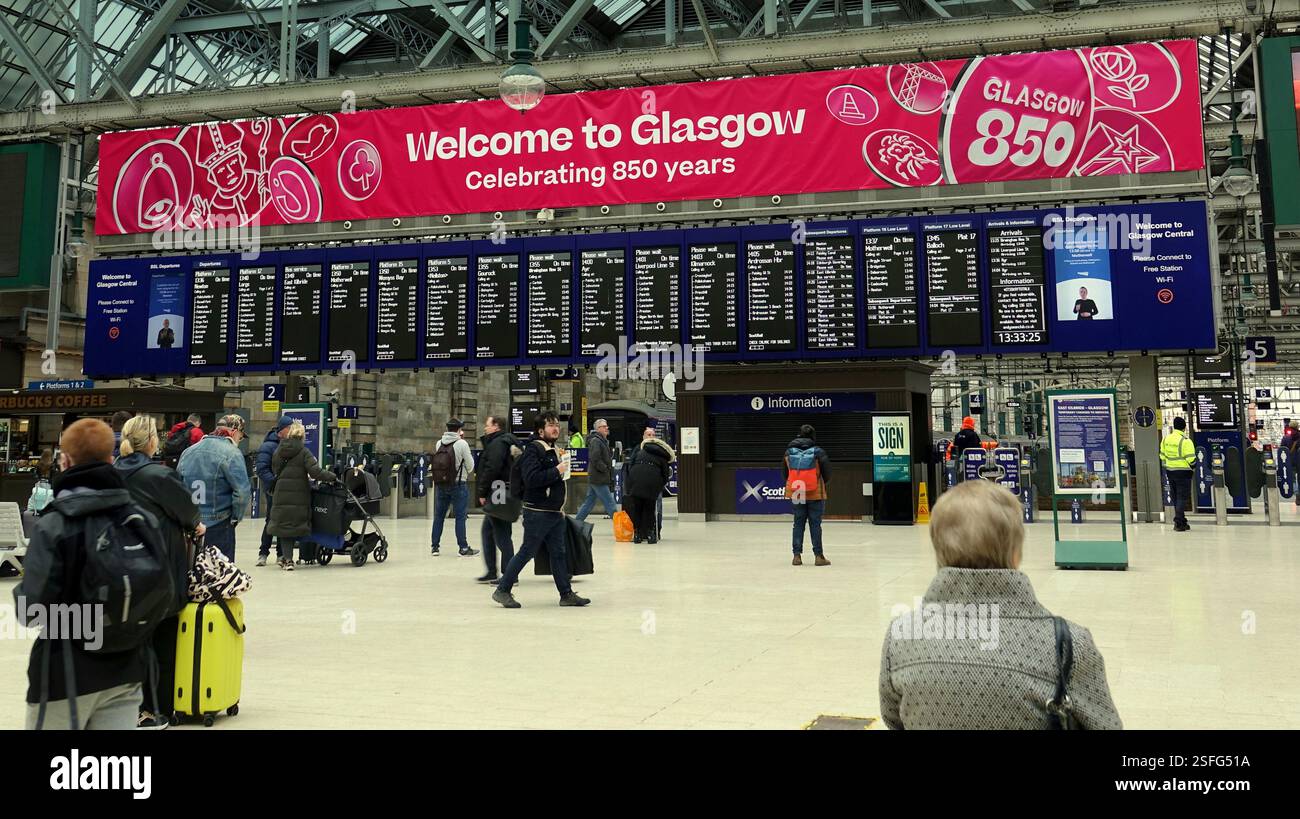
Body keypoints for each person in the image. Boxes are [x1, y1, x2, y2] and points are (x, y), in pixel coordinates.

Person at [878, 480, 1122, 729]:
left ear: (938, 549)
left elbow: (894, 719)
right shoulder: (1068, 645)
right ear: (1016, 554)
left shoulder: (901, 636)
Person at [15, 420, 162, 730]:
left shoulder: (54, 525)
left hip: (65, 674)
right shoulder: (141, 520)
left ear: (65, 460)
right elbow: (164, 593)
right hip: (128, 670)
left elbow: (29, 610)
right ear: (111, 459)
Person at [114, 415, 204, 729]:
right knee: (162, 646)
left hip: (117, 574)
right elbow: (190, 514)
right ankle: (154, 710)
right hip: (158, 574)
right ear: (152, 441)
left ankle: (122, 710)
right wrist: (196, 524)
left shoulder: (109, 474)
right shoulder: (161, 476)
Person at [492, 411, 589, 609]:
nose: (555, 428)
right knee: (527, 551)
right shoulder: (533, 450)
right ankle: (502, 590)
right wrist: (557, 470)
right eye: (550, 425)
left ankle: (566, 594)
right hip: (537, 512)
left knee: (559, 553)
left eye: (556, 425)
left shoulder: (552, 449)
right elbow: (532, 479)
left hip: (554, 512)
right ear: (540, 430)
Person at [177, 415, 251, 562]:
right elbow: (242, 493)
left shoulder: (188, 452)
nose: (239, 441)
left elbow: (178, 487)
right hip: (219, 523)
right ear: (235, 431)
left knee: (192, 571)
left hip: (191, 524)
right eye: (241, 437)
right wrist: (235, 518)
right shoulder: (232, 454)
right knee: (220, 576)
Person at [268, 421, 336, 570]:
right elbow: (315, 472)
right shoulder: (304, 452)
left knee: (284, 526)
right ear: (302, 436)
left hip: (281, 492)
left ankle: (287, 559)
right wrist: (332, 476)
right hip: (299, 494)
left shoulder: (278, 451)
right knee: (294, 525)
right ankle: (297, 557)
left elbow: (274, 468)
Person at [475, 414, 519, 583]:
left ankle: (510, 574)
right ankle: (492, 571)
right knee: (488, 532)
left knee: (501, 534)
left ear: (496, 426)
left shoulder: (498, 443)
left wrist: (481, 491)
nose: (485, 428)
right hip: (503, 490)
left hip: (498, 491)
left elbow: (492, 468)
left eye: (488, 425)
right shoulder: (508, 441)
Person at [782, 424, 832, 566]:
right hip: (815, 492)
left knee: (798, 523)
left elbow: (785, 473)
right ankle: (818, 557)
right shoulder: (818, 452)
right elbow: (827, 473)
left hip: (797, 491)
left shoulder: (789, 452)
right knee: (815, 524)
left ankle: (796, 556)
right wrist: (818, 483)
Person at [429, 419, 478, 557]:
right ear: (459, 430)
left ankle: (435, 547)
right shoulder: (462, 443)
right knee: (460, 517)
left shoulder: (439, 443)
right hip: (458, 485)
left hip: (441, 485)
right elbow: (470, 466)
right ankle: (463, 548)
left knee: (439, 516)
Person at [254, 416, 294, 567]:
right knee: (272, 519)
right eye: (290, 428)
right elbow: (262, 469)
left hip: (284, 489)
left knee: (282, 520)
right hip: (272, 489)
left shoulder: (289, 444)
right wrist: (275, 483)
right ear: (283, 430)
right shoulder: (268, 446)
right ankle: (263, 553)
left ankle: (280, 553)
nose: (292, 431)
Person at [624, 432, 674, 544]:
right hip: (651, 483)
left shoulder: (640, 451)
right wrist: (659, 486)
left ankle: (637, 534)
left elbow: (630, 465)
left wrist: (630, 483)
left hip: (635, 479)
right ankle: (651, 534)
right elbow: (665, 475)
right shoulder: (663, 457)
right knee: (650, 509)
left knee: (637, 508)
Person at [575, 418, 617, 522]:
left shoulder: (601, 440)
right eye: (604, 426)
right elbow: (595, 458)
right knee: (610, 502)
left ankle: (576, 524)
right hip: (599, 477)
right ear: (598, 429)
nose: (607, 428)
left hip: (596, 476)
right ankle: (621, 526)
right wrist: (605, 468)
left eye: (606, 426)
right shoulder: (596, 441)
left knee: (589, 502)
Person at [1159, 416, 1196, 532]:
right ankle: (1178, 522)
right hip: (1183, 473)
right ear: (1184, 427)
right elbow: (1192, 459)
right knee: (1182, 498)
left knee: (1176, 497)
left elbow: (1162, 455)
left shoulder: (1166, 439)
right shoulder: (1185, 441)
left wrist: (1168, 465)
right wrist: (1194, 467)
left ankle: (1182, 520)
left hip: (1170, 472)